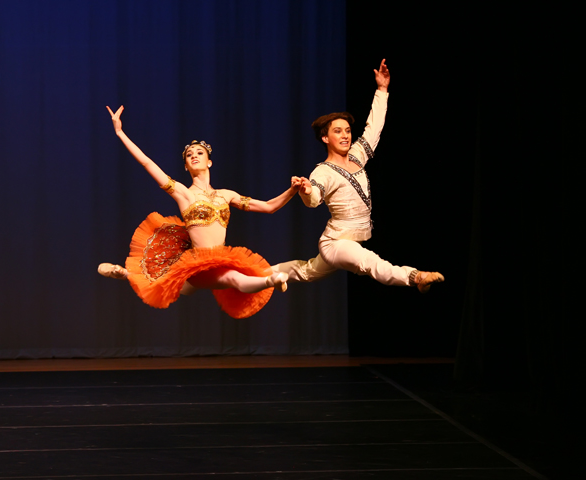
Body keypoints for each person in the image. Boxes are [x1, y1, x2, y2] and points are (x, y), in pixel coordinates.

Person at [99, 105, 303, 318]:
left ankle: (127, 274)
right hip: (197, 265)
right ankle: (272, 280)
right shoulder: (183, 194)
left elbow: (269, 207)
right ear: (186, 166)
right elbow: (147, 163)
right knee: (231, 278)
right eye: (189, 155)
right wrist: (120, 133)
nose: (194, 156)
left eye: (199, 153)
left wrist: (292, 190)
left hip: (220, 259)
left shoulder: (227, 195)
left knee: (203, 283)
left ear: (210, 161)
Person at [272, 59, 444, 293]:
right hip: (336, 244)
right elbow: (314, 198)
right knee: (369, 262)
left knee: (307, 271)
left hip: (352, 241)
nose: (345, 136)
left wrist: (382, 90)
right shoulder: (323, 171)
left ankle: (260, 274)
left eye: (347, 131)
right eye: (337, 131)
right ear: (325, 138)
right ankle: (415, 277)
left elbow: (374, 129)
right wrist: (306, 190)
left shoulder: (356, 156)